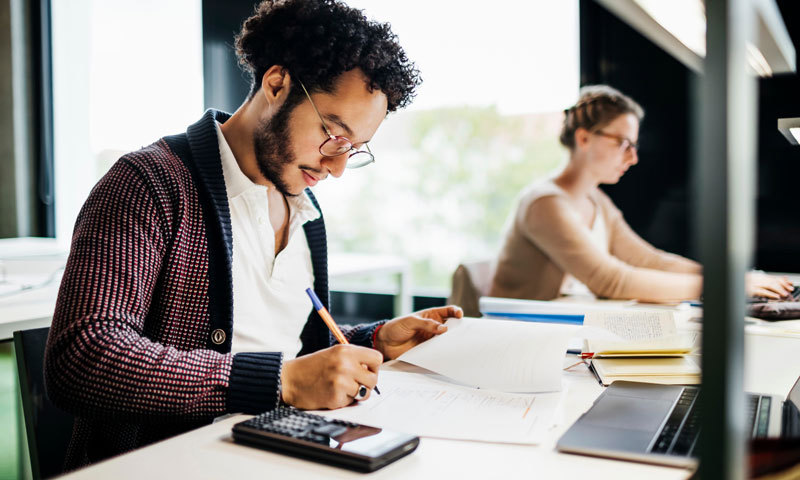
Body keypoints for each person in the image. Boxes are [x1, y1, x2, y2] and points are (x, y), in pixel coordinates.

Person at [44, 0, 462, 470]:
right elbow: (82, 358)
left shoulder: (303, 206)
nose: (339, 167)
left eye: (356, 149)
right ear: (277, 83)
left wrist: (374, 340)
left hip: (277, 455)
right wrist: (278, 382)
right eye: (334, 134)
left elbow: (289, 351)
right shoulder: (149, 184)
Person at [489, 84, 792, 303]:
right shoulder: (545, 204)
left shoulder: (596, 201)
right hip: (522, 340)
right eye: (624, 144)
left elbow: (648, 260)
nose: (633, 158)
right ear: (584, 138)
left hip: (560, 334)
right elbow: (610, 280)